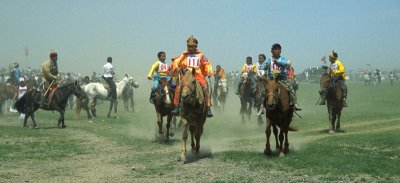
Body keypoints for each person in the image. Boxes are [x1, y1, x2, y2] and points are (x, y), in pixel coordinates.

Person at [172, 35, 213, 117]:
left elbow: (207, 63)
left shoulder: (200, 55)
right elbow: (176, 62)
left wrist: (209, 71)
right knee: (179, 88)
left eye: (192, 47)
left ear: (195, 47)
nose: (190, 48)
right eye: (189, 46)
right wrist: (177, 68)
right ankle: (176, 107)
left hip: (197, 74)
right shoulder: (184, 54)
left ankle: (208, 107)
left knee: (205, 87)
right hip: (187, 75)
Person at [262, 43, 301, 111]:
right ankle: (262, 106)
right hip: (272, 80)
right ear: (272, 51)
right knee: (263, 90)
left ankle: (294, 103)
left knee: (290, 88)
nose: (277, 50)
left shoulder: (282, 58)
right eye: (275, 49)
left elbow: (285, 63)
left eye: (278, 49)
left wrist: (277, 62)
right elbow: (263, 66)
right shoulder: (269, 59)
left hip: (282, 79)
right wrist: (266, 65)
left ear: (280, 51)